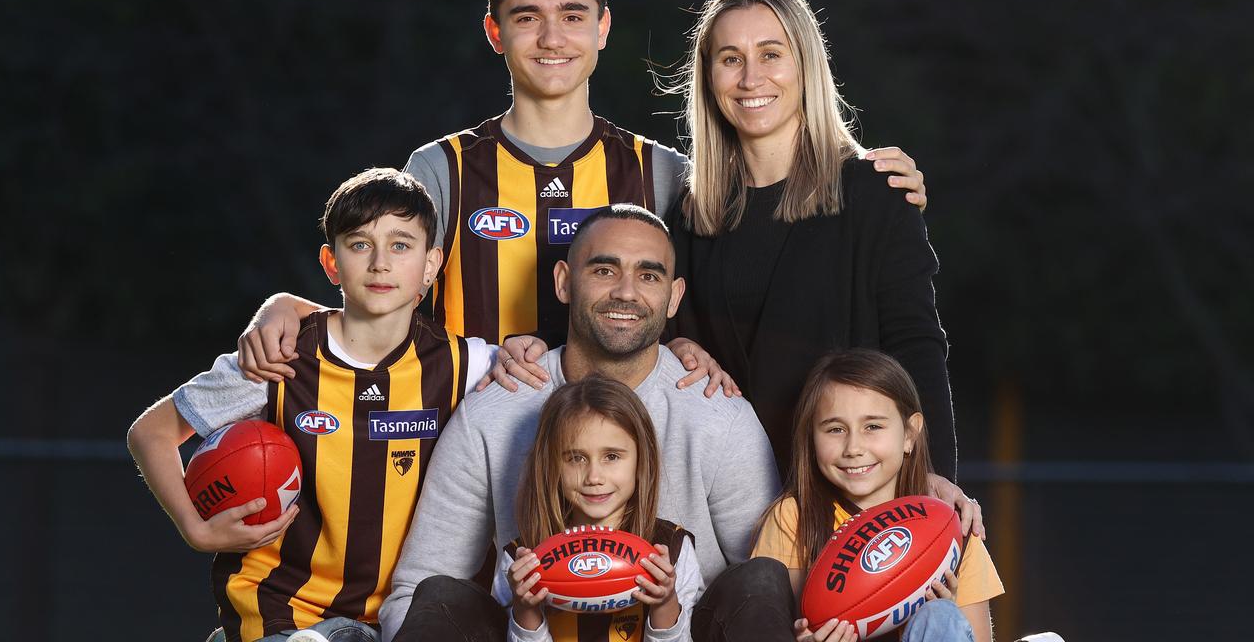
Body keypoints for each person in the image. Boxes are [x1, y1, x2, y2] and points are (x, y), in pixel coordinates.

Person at [234, 0, 927, 397]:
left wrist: (856, 168)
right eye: (527, 15)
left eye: (571, 14)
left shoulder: (664, 175)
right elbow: (377, 295)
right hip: (466, 446)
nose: (551, 36)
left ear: (602, 29)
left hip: (617, 463)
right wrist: (286, 305)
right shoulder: (441, 167)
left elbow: (741, 281)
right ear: (494, 32)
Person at [378, 204, 781, 642]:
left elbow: (766, 596)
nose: (626, 292)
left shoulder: (716, 411)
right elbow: (417, 591)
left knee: (762, 577)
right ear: (564, 282)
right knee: (439, 595)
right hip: (534, 634)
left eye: (649, 276)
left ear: (674, 296)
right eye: (604, 270)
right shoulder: (498, 408)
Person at [127, 169, 493, 642]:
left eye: (401, 245)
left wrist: (525, 349)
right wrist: (196, 530)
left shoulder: (470, 364)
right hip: (280, 608)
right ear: (331, 262)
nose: (380, 263)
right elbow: (150, 432)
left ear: (431, 263)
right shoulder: (278, 356)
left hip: (403, 619)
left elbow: (558, 382)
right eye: (360, 244)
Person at [665, 0, 959, 481]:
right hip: (731, 501)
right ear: (709, 78)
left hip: (853, 494)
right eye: (731, 59)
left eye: (771, 55)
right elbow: (666, 348)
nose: (751, 78)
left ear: (806, 66)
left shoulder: (874, 192)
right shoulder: (692, 214)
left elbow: (917, 344)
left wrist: (935, 477)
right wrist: (675, 347)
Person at [750, 349, 1002, 642]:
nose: (853, 447)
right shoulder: (794, 517)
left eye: (873, 427)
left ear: (909, 434)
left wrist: (944, 621)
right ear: (811, 438)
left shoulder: (951, 526)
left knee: (941, 615)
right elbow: (786, 623)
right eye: (835, 429)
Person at [497, 376, 703, 642]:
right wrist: (526, 610)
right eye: (576, 458)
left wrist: (664, 604)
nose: (594, 476)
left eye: (612, 457)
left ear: (642, 458)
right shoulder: (521, 560)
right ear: (551, 466)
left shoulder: (671, 550)